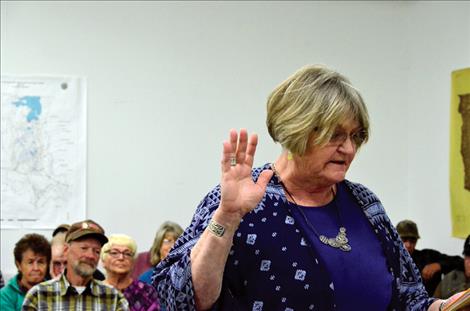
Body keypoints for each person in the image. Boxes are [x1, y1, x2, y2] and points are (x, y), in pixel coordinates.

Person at [154, 65, 465, 310]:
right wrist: (226, 219)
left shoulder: (365, 204)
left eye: (355, 136)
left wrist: (442, 307)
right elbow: (182, 299)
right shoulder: (245, 198)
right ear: (296, 128)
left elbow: (410, 298)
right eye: (336, 135)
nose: (348, 149)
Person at [22, 219, 128, 310]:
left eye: (96, 251)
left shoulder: (113, 298)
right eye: (84, 248)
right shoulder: (39, 295)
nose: (90, 256)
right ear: (66, 250)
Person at [397, 219, 464, 296]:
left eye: (413, 240)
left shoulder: (428, 256)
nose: (408, 245)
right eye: (404, 240)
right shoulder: (388, 261)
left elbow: (461, 262)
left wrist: (439, 265)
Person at [101, 234, 160, 311]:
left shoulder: (146, 292)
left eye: (127, 254)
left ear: (133, 261)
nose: (121, 258)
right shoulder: (95, 291)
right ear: (103, 260)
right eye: (114, 253)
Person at [0, 234, 50, 311]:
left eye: (40, 262)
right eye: (30, 262)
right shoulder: (5, 295)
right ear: (19, 265)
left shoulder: (56, 290)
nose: (36, 268)